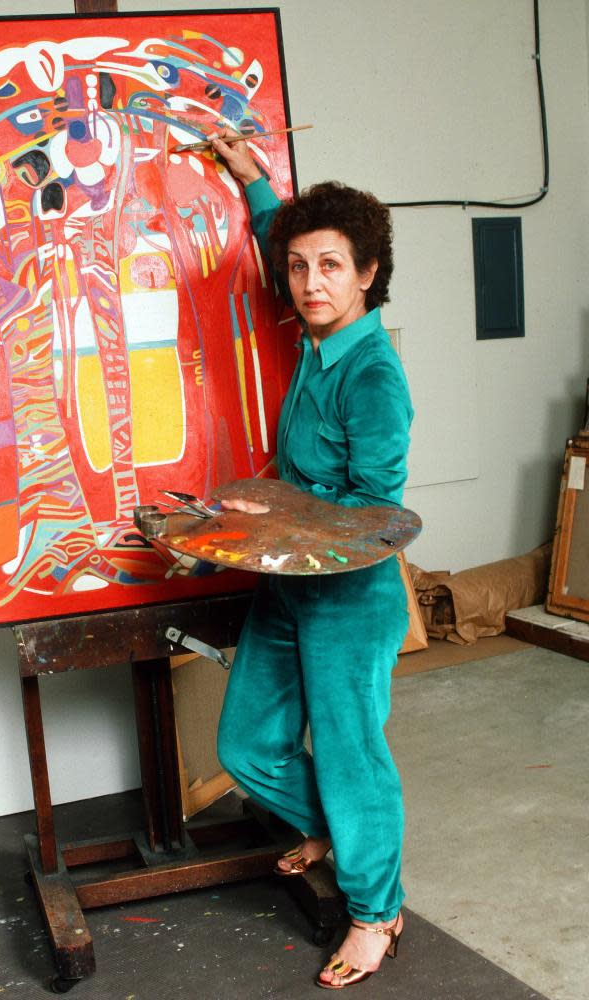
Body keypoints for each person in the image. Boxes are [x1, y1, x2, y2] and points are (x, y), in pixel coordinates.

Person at [210, 128, 413, 991]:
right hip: (288, 587)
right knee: (246, 746)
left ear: (368, 273)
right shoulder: (315, 342)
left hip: (349, 597)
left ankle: (376, 912)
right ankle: (335, 828)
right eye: (298, 268)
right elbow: (279, 239)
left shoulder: (371, 374)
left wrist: (279, 507)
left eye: (331, 266)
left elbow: (376, 514)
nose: (310, 283)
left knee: (350, 755)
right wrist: (259, 184)